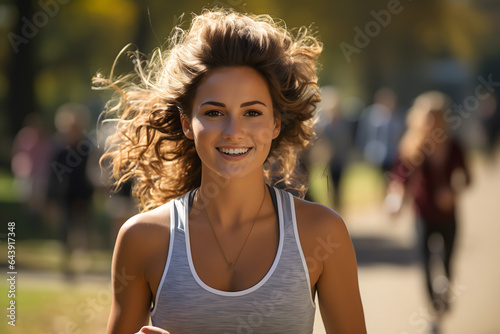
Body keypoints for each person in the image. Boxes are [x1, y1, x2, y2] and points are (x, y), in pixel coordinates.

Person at [95, 8, 366, 334]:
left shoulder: (324, 234)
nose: (233, 131)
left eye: (252, 112)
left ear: (276, 123)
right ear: (187, 123)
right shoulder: (142, 239)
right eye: (213, 112)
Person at [385, 92, 471, 320]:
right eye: (427, 118)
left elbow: (467, 178)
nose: (431, 123)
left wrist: (453, 192)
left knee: (447, 260)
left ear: (443, 119)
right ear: (418, 120)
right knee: (424, 262)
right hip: (422, 212)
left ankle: (445, 289)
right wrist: (395, 200)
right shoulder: (411, 146)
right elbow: (399, 177)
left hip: (448, 214)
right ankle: (434, 307)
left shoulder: (454, 147)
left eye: (436, 118)